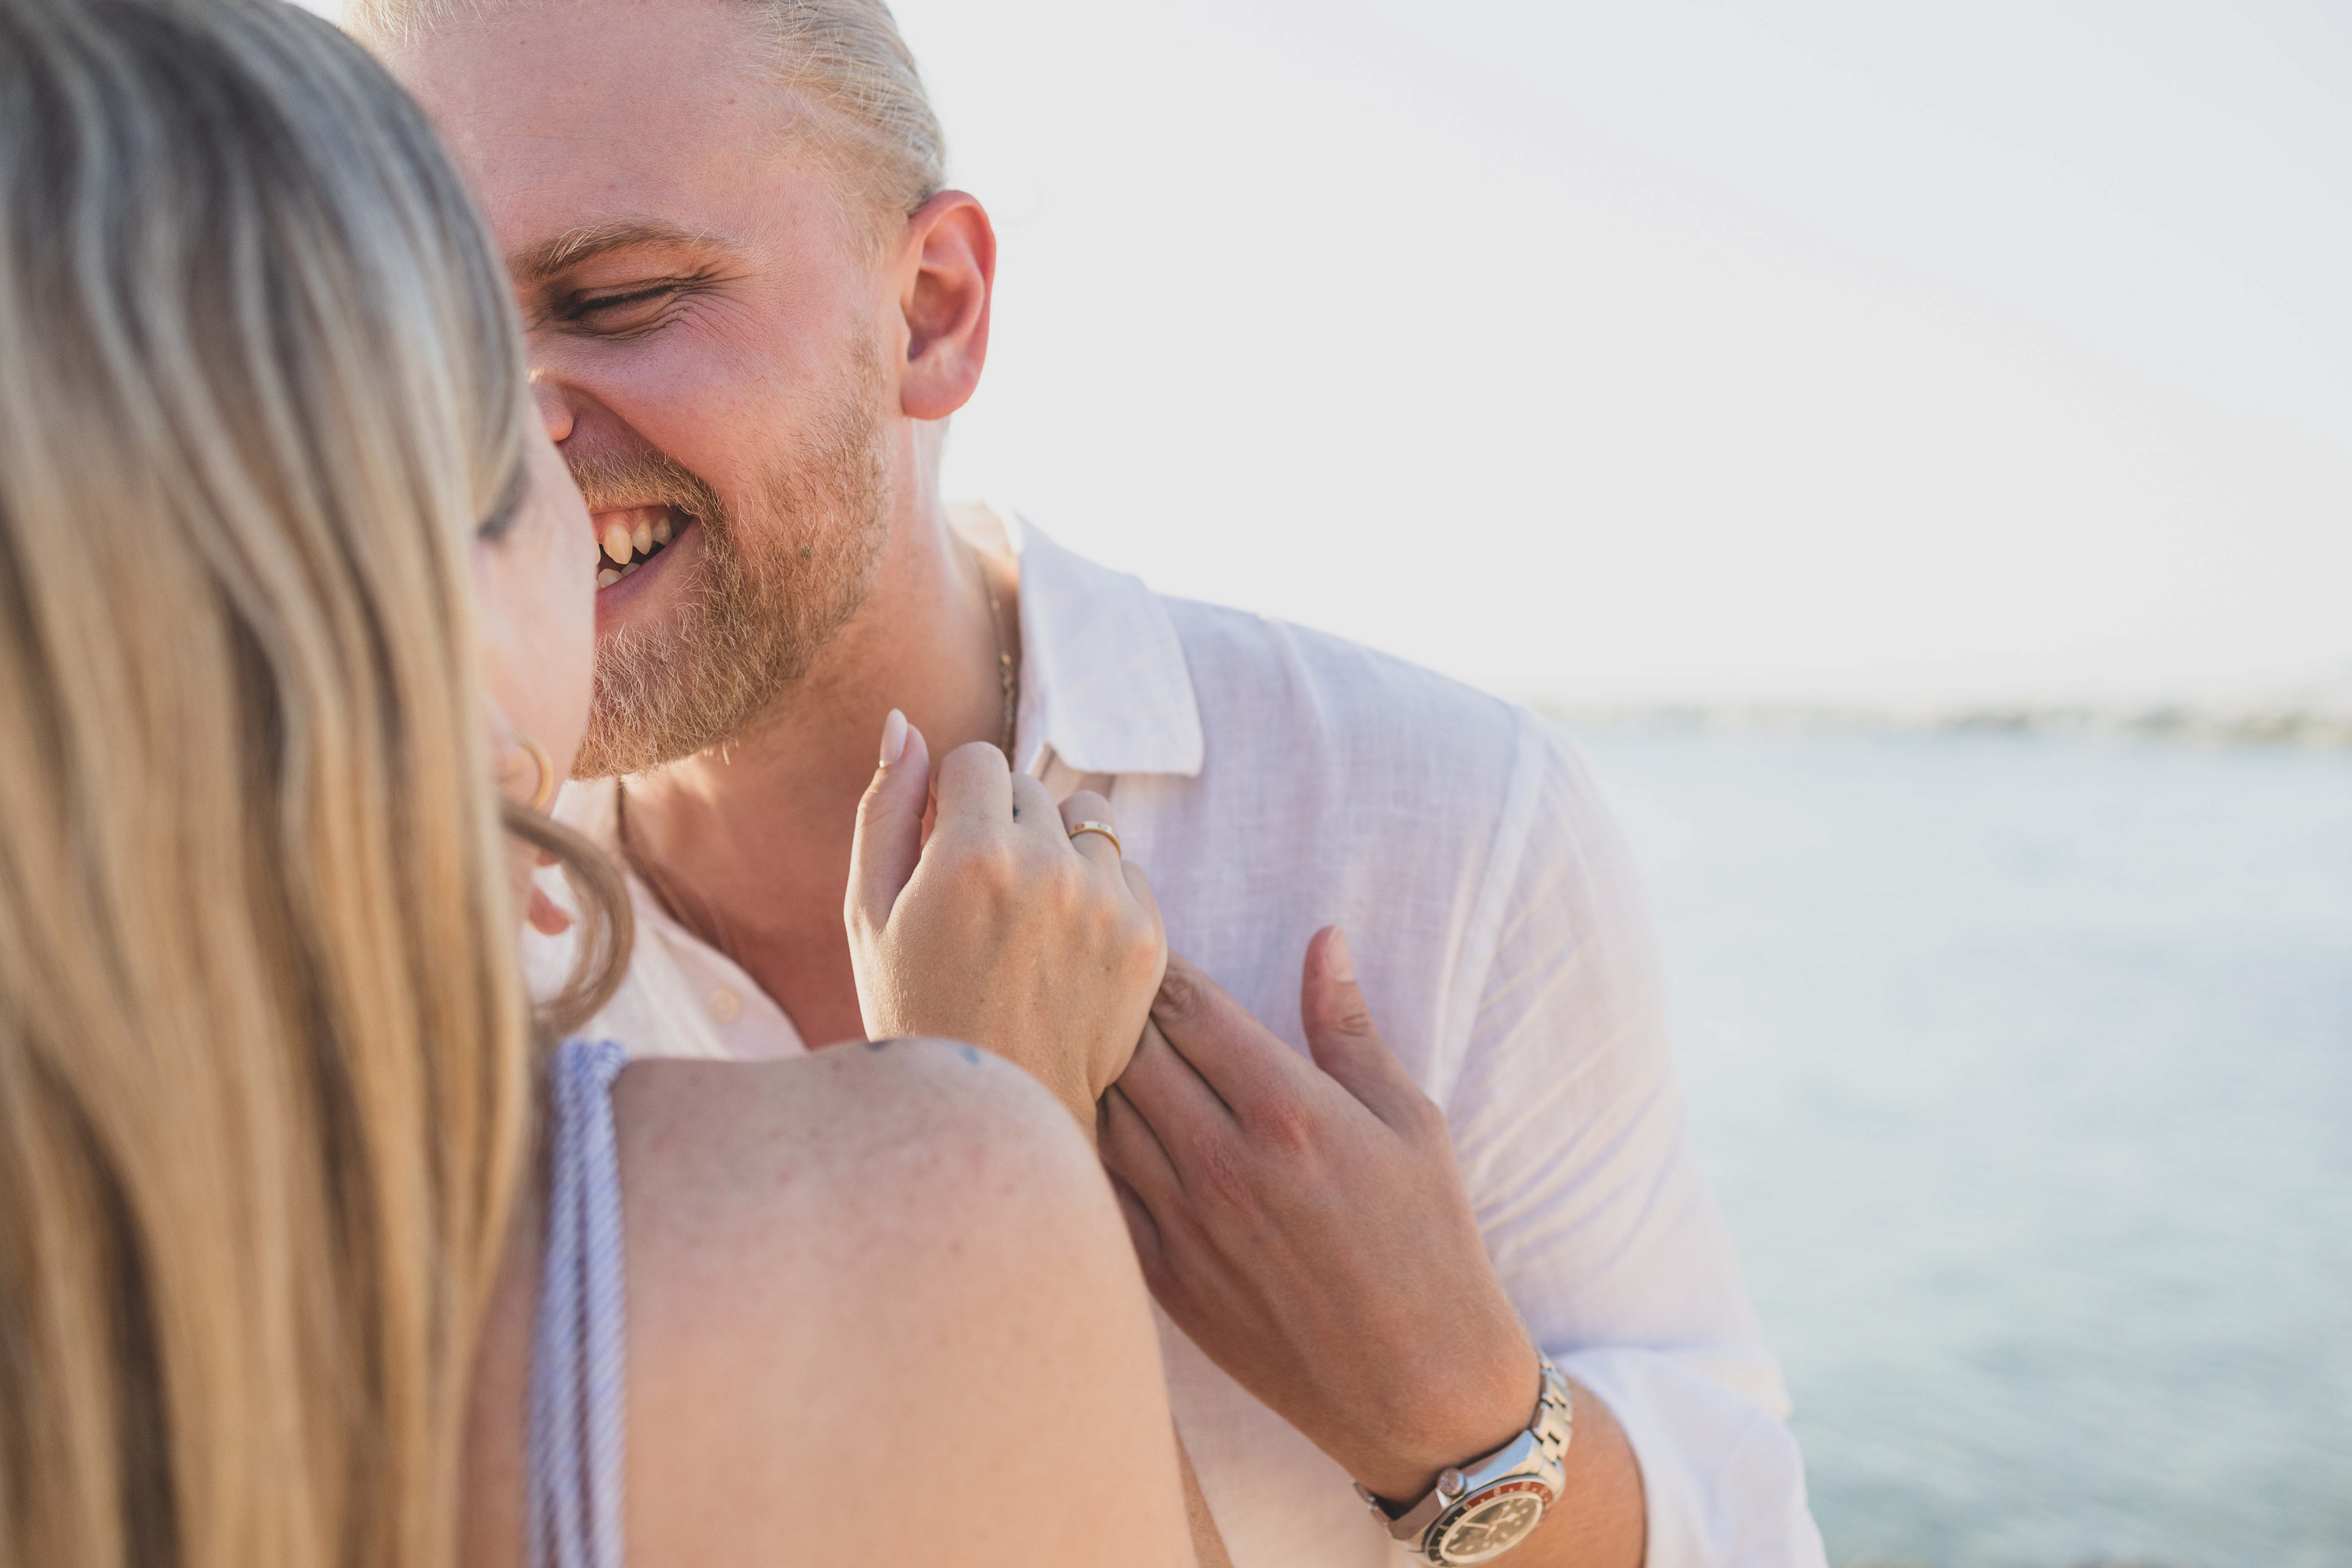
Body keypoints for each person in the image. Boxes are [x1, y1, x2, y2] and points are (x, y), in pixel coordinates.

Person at [358, 1, 1828, 1563]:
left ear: (932, 312)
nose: (495, 434)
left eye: (621, 299)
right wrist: (1001, 1164)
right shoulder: (364, 949)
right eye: (423, 336)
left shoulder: (1445, 824)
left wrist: (1460, 1423)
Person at [0, 0, 1231, 1562]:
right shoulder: (918, 1212)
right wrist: (1005, 1126)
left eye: (621, 300)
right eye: (457, 381)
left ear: (933, 306)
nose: (541, 417)